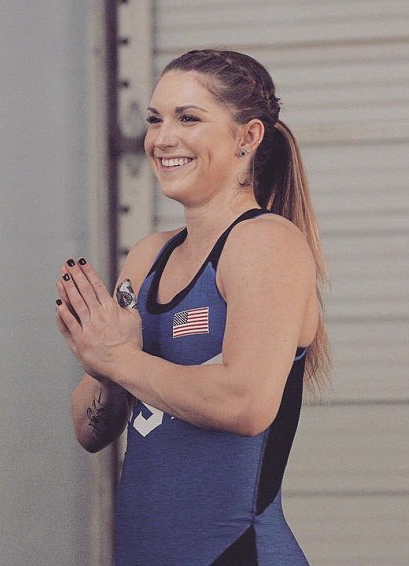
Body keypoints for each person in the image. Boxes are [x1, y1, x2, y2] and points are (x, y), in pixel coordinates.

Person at [55, 49, 330, 565]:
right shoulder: (149, 256)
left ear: (247, 138)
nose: (162, 139)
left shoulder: (265, 243)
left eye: (189, 118)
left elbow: (244, 404)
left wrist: (121, 361)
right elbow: (89, 429)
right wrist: (102, 365)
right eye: (155, 119)